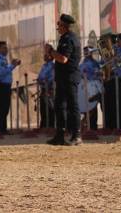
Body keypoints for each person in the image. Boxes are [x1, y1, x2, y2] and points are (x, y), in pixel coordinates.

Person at [47, 14, 82, 146]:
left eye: (59, 25)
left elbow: (63, 59)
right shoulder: (64, 38)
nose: (58, 28)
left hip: (70, 77)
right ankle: (60, 135)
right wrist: (51, 54)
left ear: (65, 26)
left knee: (73, 106)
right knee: (59, 106)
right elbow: (58, 58)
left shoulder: (70, 39)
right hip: (62, 77)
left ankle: (77, 135)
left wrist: (51, 51)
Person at [0, 40, 20, 134]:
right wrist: (12, 66)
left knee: (5, 108)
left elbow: (5, 69)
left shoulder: (4, 59)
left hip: (6, 86)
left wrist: (11, 64)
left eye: (6, 48)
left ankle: (3, 129)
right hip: (2, 86)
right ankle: (1, 129)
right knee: (2, 108)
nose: (6, 50)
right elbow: (1, 73)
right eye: (4, 48)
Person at [79, 46, 102, 130]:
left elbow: (97, 73)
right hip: (84, 87)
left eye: (87, 51)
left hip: (93, 87)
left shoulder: (95, 63)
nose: (85, 53)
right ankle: (86, 125)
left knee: (93, 106)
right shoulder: (82, 63)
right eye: (84, 51)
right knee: (86, 106)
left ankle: (92, 126)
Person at [36, 44, 55, 128]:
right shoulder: (44, 66)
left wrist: (46, 81)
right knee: (43, 108)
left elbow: (52, 77)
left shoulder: (52, 66)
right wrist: (39, 80)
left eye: (46, 53)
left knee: (50, 108)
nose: (44, 55)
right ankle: (43, 125)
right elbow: (40, 76)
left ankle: (50, 125)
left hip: (49, 89)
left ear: (51, 56)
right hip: (43, 88)